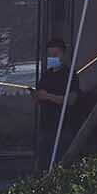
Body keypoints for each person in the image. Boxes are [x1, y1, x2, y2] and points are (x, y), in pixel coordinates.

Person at [32, 37, 71, 167]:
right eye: (50, 55)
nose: (52, 58)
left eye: (55, 55)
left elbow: (70, 99)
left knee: (59, 160)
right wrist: (37, 96)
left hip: (62, 125)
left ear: (63, 54)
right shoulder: (46, 74)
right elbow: (38, 94)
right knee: (43, 160)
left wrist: (48, 96)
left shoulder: (69, 75)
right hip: (45, 124)